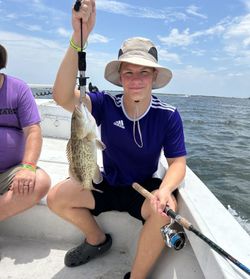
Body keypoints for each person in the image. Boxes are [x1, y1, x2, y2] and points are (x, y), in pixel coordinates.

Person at [47, 1, 186, 278]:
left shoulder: (168, 115)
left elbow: (178, 162)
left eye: (144, 72)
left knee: (166, 211)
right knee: (55, 198)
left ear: (154, 76)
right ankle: (97, 240)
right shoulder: (105, 104)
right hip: (106, 182)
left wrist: (165, 189)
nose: (136, 79)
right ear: (120, 76)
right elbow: (62, 97)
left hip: (143, 188)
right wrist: (78, 38)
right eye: (129, 72)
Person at [0, 44, 51, 221]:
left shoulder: (18, 88)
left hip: (11, 171)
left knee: (41, 181)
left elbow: (33, 131)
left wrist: (28, 167)